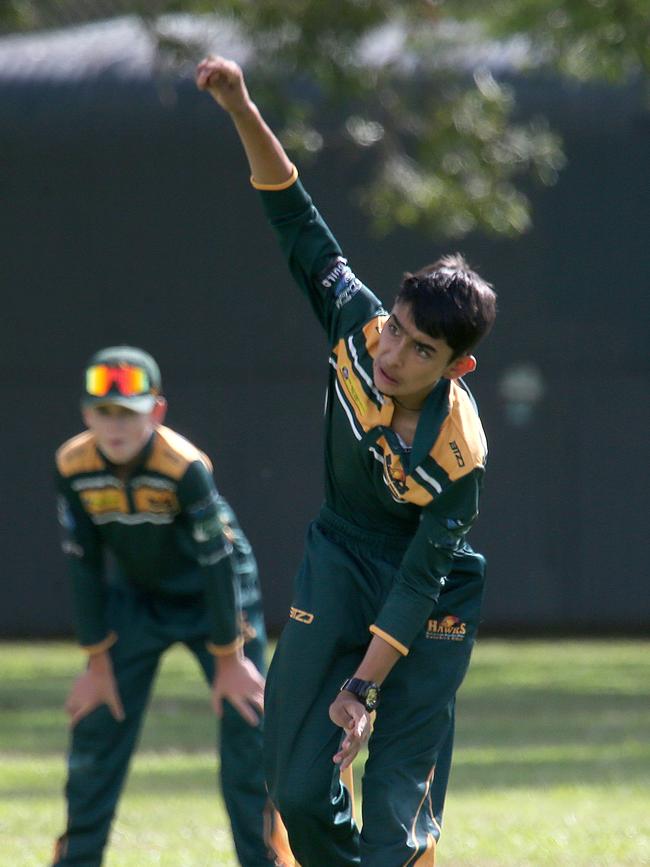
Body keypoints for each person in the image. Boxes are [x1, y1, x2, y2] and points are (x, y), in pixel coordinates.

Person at [196, 56, 497, 866]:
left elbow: (417, 582)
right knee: (295, 785)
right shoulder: (358, 327)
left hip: (427, 589)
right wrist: (241, 106)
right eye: (396, 327)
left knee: (396, 813)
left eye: (421, 347)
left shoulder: (457, 454)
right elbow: (294, 213)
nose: (394, 353)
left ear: (456, 366)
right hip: (341, 549)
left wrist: (362, 689)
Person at [51, 344, 286, 867]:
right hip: (139, 598)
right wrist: (96, 660)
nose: (115, 427)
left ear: (156, 411)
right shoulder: (72, 466)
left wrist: (229, 658)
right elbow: (82, 563)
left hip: (216, 596)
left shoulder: (185, 468)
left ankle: (264, 859)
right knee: (97, 720)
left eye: (129, 413)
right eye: (103, 412)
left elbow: (217, 563)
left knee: (249, 724)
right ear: (86, 413)